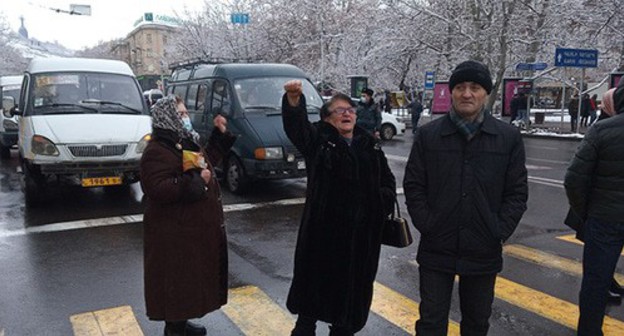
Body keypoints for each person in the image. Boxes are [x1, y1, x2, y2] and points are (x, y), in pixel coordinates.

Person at [403, 60, 528, 336]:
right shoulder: (429, 136)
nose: (467, 93)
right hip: (438, 247)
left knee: (476, 324)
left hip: (483, 248)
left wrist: (498, 230)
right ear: (452, 92)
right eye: (460, 87)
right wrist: (428, 223)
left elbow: (517, 192)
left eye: (474, 87)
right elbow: (414, 186)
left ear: (485, 93)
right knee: (431, 323)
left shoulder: (507, 137)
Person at [281, 80, 396, 336]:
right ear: (326, 118)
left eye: (351, 110)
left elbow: (388, 181)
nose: (347, 113)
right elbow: (296, 127)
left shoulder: (369, 144)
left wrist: (379, 203)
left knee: (349, 310)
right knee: (310, 306)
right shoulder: (319, 140)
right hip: (324, 237)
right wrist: (293, 100)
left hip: (361, 239)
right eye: (339, 110)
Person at [140, 95, 236, 336]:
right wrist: (195, 181)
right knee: (176, 283)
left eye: (185, 113)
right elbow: (159, 189)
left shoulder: (183, 142)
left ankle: (180, 322)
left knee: (186, 284)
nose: (186, 118)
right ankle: (174, 328)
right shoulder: (157, 151)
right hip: (174, 234)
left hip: (187, 231)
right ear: (168, 118)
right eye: (181, 114)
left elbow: (206, 164)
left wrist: (219, 136)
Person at [564, 82, 624, 336]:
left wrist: (586, 212)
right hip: (603, 218)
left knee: (595, 284)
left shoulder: (602, 130)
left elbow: (574, 180)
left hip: (604, 220)